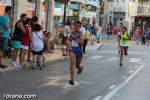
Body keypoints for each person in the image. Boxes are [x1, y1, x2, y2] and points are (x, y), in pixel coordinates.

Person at [68, 21, 83, 85]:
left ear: (80, 27)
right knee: (72, 62)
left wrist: (75, 37)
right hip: (72, 49)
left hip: (79, 50)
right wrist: (70, 37)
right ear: (74, 25)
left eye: (78, 26)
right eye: (76, 26)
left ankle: (80, 68)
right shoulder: (71, 32)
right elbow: (69, 39)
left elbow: (81, 42)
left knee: (77, 66)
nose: (77, 27)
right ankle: (72, 79)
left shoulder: (80, 33)